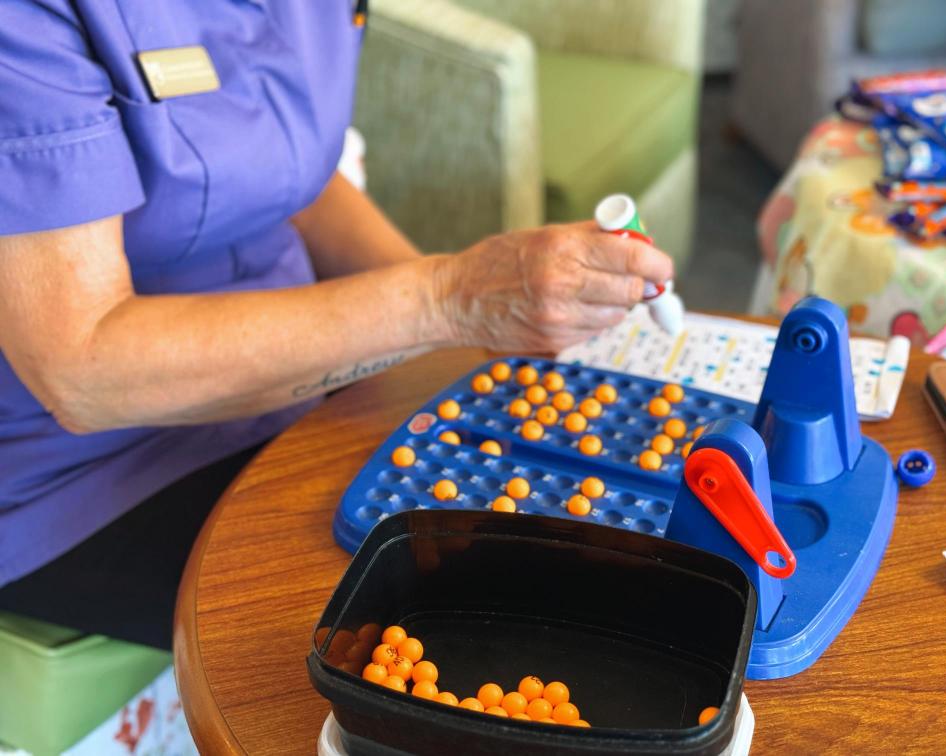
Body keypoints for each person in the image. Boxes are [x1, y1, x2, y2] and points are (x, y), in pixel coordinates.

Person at [0, 1, 673, 649]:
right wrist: (450, 297)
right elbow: (81, 371)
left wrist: (472, 323)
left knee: (586, 539)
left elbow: (286, 173)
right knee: (472, 628)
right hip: (74, 474)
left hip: (299, 377)